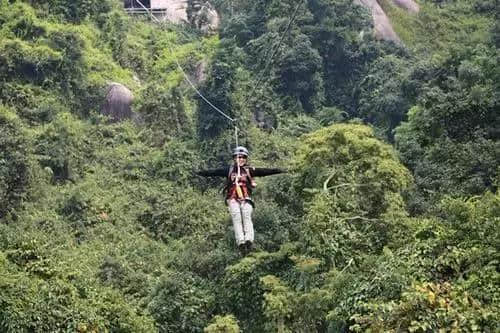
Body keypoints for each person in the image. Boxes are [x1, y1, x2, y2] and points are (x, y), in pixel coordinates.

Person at [197, 146, 286, 253]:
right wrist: (200, 172)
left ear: (246, 158)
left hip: (246, 198)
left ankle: (249, 240)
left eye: (243, 157)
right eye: (238, 157)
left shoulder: (249, 170)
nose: (241, 159)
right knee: (237, 217)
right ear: (234, 158)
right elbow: (214, 172)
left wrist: (281, 170)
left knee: (246, 215)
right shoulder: (229, 170)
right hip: (233, 198)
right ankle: (241, 242)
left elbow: (265, 171)